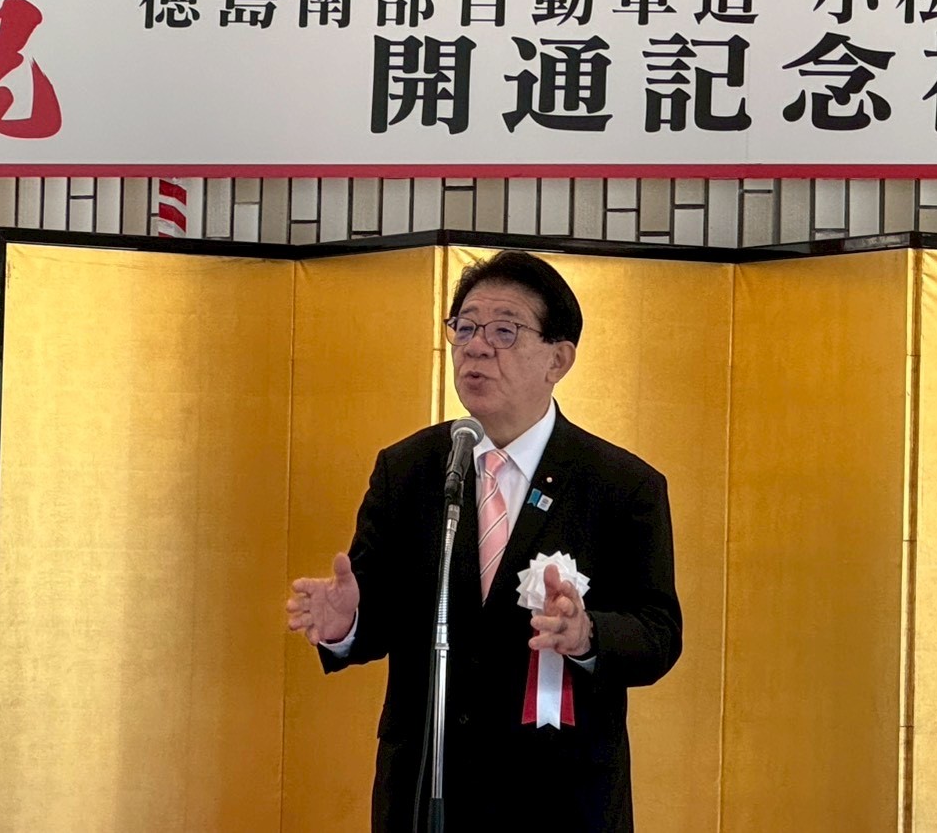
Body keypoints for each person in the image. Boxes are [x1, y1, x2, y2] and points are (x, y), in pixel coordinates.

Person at [286, 250, 683, 832]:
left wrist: (587, 634)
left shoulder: (621, 485)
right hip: (426, 790)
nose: (475, 347)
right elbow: (381, 615)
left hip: (559, 800)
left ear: (558, 358)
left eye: (504, 331)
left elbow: (658, 633)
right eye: (465, 328)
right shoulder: (410, 469)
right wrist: (348, 622)